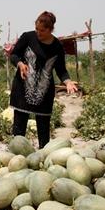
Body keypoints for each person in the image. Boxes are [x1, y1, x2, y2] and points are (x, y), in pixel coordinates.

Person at [9, 11, 78, 149]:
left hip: (44, 90)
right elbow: (14, 54)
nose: (38, 33)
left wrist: (68, 81)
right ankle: (17, 154)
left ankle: (43, 154)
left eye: (42, 30)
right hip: (23, 88)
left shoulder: (57, 46)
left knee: (43, 126)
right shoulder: (27, 37)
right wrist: (20, 64)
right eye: (37, 29)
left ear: (50, 29)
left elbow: (61, 69)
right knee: (19, 126)